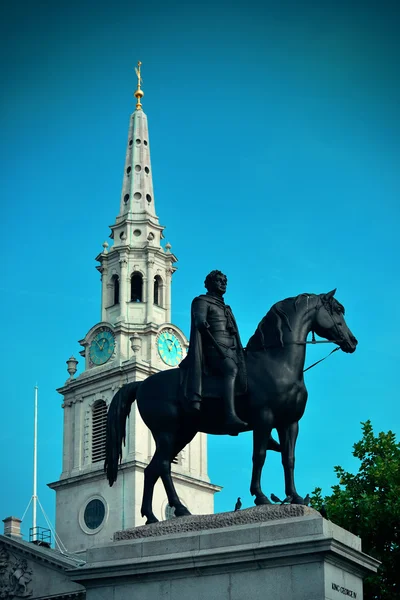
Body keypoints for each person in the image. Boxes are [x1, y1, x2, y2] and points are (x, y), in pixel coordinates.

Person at [180, 270, 248, 434]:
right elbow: (200, 322)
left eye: (225, 281)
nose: (223, 283)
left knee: (252, 374)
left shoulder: (225, 307)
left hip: (231, 350)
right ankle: (230, 416)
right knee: (231, 370)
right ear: (210, 283)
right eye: (219, 280)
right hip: (213, 350)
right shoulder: (202, 301)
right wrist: (201, 321)